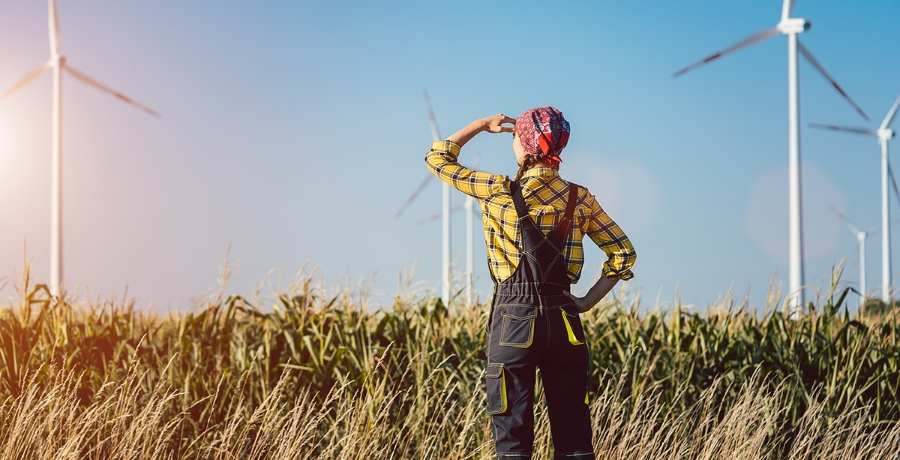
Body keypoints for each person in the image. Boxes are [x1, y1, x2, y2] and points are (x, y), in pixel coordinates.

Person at [424, 107, 636, 460]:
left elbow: (437, 157)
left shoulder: (496, 190)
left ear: (523, 144)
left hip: (513, 322)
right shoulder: (579, 198)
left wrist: (479, 125)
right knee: (575, 442)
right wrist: (585, 302)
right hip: (564, 321)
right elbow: (623, 254)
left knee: (513, 443)